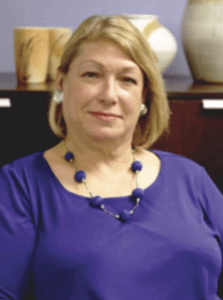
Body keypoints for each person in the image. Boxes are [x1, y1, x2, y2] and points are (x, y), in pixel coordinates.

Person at [0, 14, 223, 300]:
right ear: (61, 83)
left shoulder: (191, 178)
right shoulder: (19, 187)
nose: (109, 95)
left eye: (127, 79)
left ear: (144, 96)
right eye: (91, 75)